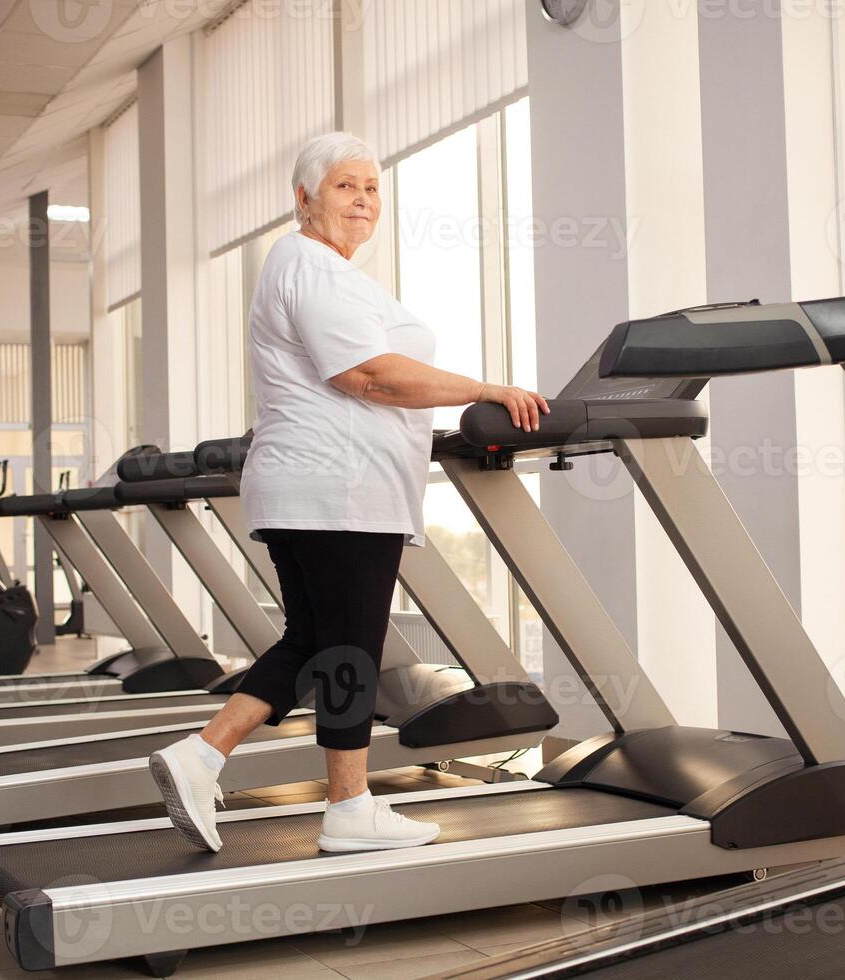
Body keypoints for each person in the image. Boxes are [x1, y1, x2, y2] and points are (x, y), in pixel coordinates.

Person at [150, 131, 549, 854]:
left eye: (371, 188)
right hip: (336, 489)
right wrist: (487, 390)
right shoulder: (308, 264)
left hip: (324, 486)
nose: (362, 200)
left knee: (313, 642)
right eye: (344, 186)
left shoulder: (321, 270)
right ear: (304, 199)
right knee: (349, 650)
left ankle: (201, 755)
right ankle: (349, 808)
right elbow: (368, 376)